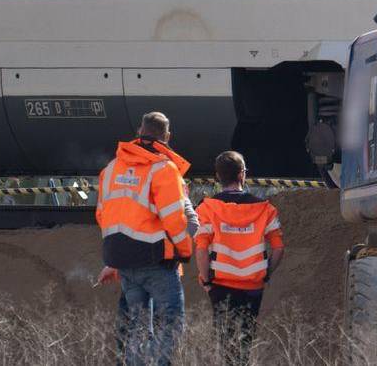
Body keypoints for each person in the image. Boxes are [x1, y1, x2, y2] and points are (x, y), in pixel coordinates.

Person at [98, 112, 198, 366]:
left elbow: (103, 214)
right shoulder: (163, 169)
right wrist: (185, 251)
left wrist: (115, 257)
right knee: (171, 323)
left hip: (123, 262)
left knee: (139, 328)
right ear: (167, 136)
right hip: (156, 262)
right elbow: (175, 220)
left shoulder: (111, 168)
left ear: (139, 131)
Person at [192, 151, 283, 366]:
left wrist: (206, 280)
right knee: (245, 340)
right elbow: (278, 249)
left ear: (218, 176)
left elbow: (201, 250)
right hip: (253, 286)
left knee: (225, 341)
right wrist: (265, 273)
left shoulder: (207, 208)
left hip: (220, 285)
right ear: (242, 175)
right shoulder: (265, 209)